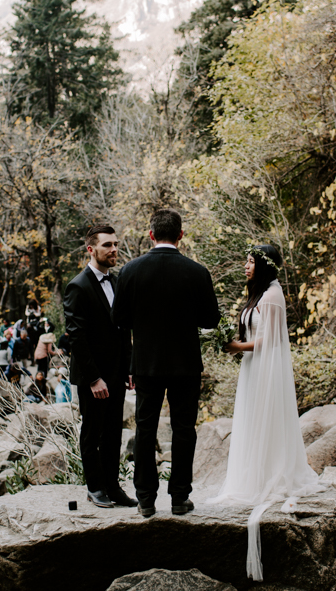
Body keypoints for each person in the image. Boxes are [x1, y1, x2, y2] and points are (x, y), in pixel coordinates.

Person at [215, 244, 321, 580]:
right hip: (252, 368)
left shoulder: (273, 297)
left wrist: (235, 346)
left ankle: (269, 472)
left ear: (263, 265)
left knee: (266, 422)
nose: (245, 265)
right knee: (251, 421)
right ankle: (252, 471)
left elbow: (270, 341)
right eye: (245, 259)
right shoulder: (257, 294)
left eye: (249, 261)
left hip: (265, 368)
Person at [112, 209, 220, 517]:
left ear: (150, 235)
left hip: (146, 363)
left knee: (145, 429)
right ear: (181, 235)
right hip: (186, 363)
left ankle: (146, 499)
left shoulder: (131, 271)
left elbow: (118, 318)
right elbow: (211, 319)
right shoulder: (197, 272)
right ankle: (179, 498)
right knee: (184, 429)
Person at [64, 224, 136, 509]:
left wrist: (129, 367)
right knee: (92, 433)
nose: (114, 249)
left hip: (117, 373)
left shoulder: (118, 282)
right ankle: (95, 488)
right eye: (107, 245)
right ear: (90, 249)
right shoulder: (77, 286)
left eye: (115, 244)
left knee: (114, 433)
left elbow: (124, 329)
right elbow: (76, 337)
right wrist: (94, 379)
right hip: (92, 377)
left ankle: (112, 486)